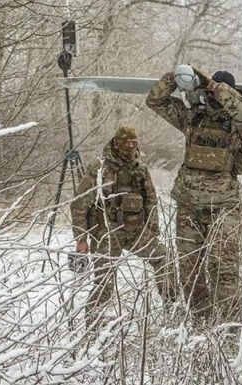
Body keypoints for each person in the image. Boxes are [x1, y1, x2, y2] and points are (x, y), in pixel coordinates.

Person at [145, 65, 242, 321]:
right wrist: (176, 77)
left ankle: (230, 326)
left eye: (221, 92)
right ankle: (201, 324)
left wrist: (212, 85)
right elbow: (155, 100)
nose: (214, 98)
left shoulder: (240, 124)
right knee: (190, 270)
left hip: (224, 206)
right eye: (212, 92)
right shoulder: (192, 117)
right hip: (189, 205)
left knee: (224, 268)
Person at [70, 126, 175, 326]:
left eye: (134, 143)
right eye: (126, 143)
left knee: (164, 258)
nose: (130, 146)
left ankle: (172, 310)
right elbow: (79, 204)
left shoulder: (140, 169)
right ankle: (93, 326)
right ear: (117, 143)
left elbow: (151, 201)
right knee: (104, 284)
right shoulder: (100, 169)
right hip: (108, 234)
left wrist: (152, 230)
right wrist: (81, 239)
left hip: (136, 232)